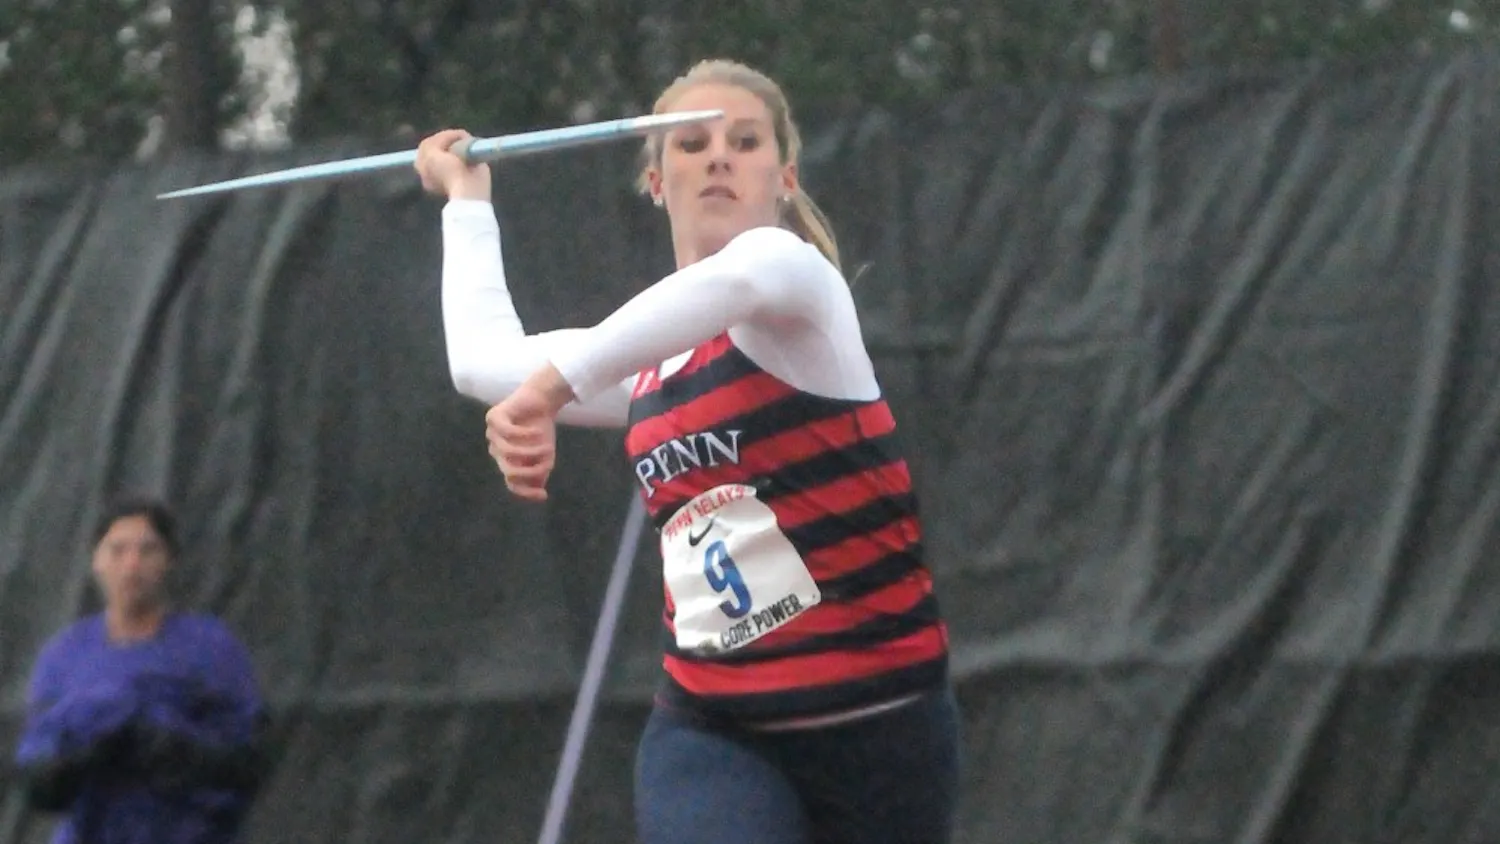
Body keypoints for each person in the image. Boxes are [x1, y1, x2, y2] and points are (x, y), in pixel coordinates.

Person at [417, 58, 961, 844]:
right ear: (654, 182)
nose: (717, 157)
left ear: (784, 179)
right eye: (690, 144)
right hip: (715, 726)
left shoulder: (799, 289)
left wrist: (548, 391)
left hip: (879, 723)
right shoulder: (638, 363)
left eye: (745, 142)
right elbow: (479, 360)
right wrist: (468, 202)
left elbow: (735, 284)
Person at [12, 495, 271, 844]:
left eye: (147, 551)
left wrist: (182, 753)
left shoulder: (211, 648)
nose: (131, 565)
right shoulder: (64, 656)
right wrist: (74, 763)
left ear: (169, 560)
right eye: (117, 550)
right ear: (96, 561)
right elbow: (36, 776)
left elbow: (249, 762)